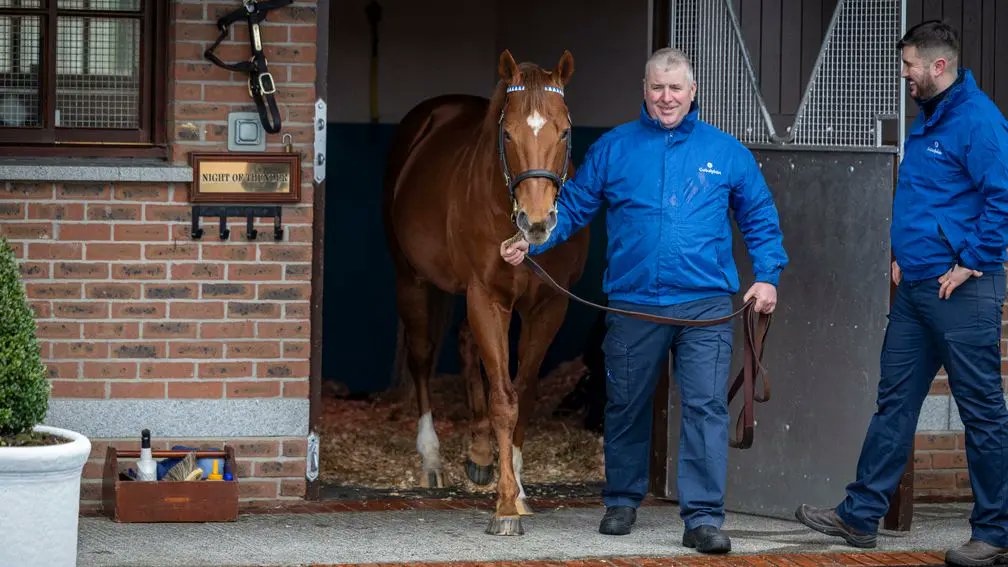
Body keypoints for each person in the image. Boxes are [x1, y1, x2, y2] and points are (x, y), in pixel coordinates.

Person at [501, 47, 787, 554]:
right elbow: (575, 206)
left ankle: (701, 518)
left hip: (705, 305)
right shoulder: (614, 148)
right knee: (627, 404)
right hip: (634, 302)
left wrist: (767, 277)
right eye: (658, 87)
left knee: (704, 408)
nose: (667, 97)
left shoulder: (726, 153)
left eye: (676, 88)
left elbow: (760, 217)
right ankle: (622, 500)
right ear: (645, 89)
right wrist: (533, 238)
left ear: (693, 92)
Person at [795, 21, 1008, 566]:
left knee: (982, 412)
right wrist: (902, 253)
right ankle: (861, 515)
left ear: (938, 66)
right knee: (894, 403)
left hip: (960, 292)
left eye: (909, 64)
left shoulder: (979, 121)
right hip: (917, 288)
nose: (904, 74)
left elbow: (1002, 199)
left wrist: (972, 263)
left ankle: (996, 534)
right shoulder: (930, 117)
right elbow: (928, 197)